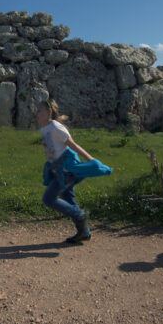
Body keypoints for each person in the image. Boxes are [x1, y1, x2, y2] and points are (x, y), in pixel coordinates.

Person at [36, 99, 113, 243]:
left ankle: (79, 214)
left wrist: (92, 161)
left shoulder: (56, 127)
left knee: (48, 199)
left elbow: (73, 145)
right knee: (68, 199)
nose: (36, 113)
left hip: (65, 172)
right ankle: (84, 232)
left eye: (39, 110)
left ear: (49, 112)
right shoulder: (45, 129)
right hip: (57, 171)